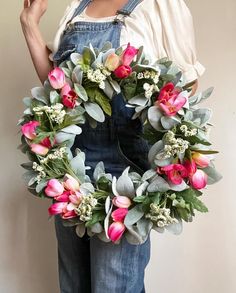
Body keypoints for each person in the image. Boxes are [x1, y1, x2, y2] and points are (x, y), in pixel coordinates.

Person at [20, 0, 205, 292]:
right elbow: (57, 91)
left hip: (126, 176)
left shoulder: (160, 5)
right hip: (70, 172)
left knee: (113, 286)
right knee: (73, 284)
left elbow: (186, 90)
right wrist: (30, 26)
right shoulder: (77, 8)